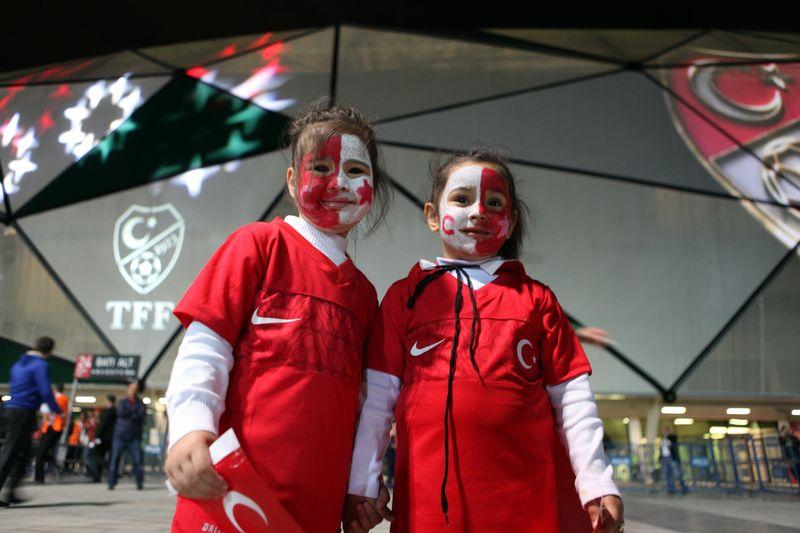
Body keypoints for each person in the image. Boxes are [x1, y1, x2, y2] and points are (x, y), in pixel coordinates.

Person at [344, 149, 624, 532]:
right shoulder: (402, 298)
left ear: (510, 223)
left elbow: (572, 399)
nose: (478, 211)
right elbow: (376, 401)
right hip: (428, 511)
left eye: (493, 203)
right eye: (461, 199)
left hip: (526, 507)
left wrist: (596, 482)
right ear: (430, 214)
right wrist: (362, 483)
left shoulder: (537, 300)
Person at [165, 101, 392, 533]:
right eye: (321, 167)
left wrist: (360, 483)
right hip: (230, 492)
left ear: (373, 188)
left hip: (316, 508)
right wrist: (190, 428)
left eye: (356, 172)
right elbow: (206, 346)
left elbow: (363, 402)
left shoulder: (365, 295)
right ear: (292, 180)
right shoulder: (258, 244)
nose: (338, 182)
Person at [0, 337, 61, 506]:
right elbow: (45, 390)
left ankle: (11, 491)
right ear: (49, 350)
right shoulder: (40, 365)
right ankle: (7, 490)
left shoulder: (19, 364)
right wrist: (56, 409)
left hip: (13, 409)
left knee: (24, 453)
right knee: (11, 452)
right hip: (23, 410)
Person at [108, 381, 146, 490]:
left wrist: (131, 413)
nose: (133, 391)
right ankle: (111, 482)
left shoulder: (140, 403)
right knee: (115, 460)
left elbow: (141, 415)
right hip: (120, 436)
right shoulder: (122, 403)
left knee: (137, 461)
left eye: (135, 389)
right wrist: (134, 413)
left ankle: (139, 482)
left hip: (134, 437)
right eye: (131, 388)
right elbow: (121, 413)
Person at [34, 383, 68, 483]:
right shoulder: (61, 398)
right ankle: (55, 464)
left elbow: (47, 410)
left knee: (41, 453)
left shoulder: (60, 398)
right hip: (51, 428)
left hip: (53, 428)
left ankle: (39, 478)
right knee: (42, 452)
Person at [88, 395, 116, 482]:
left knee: (93, 454)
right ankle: (97, 476)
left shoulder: (106, 412)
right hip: (112, 438)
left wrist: (96, 437)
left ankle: (109, 467)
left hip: (103, 438)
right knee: (101, 455)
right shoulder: (117, 412)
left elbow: (101, 426)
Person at [660, 425, 688, 494]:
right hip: (665, 458)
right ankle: (671, 490)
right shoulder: (662, 439)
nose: (663, 432)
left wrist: (667, 438)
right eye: (663, 431)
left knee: (677, 474)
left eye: (665, 431)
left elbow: (672, 444)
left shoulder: (672, 437)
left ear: (668, 431)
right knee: (668, 475)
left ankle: (684, 489)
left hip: (672, 458)